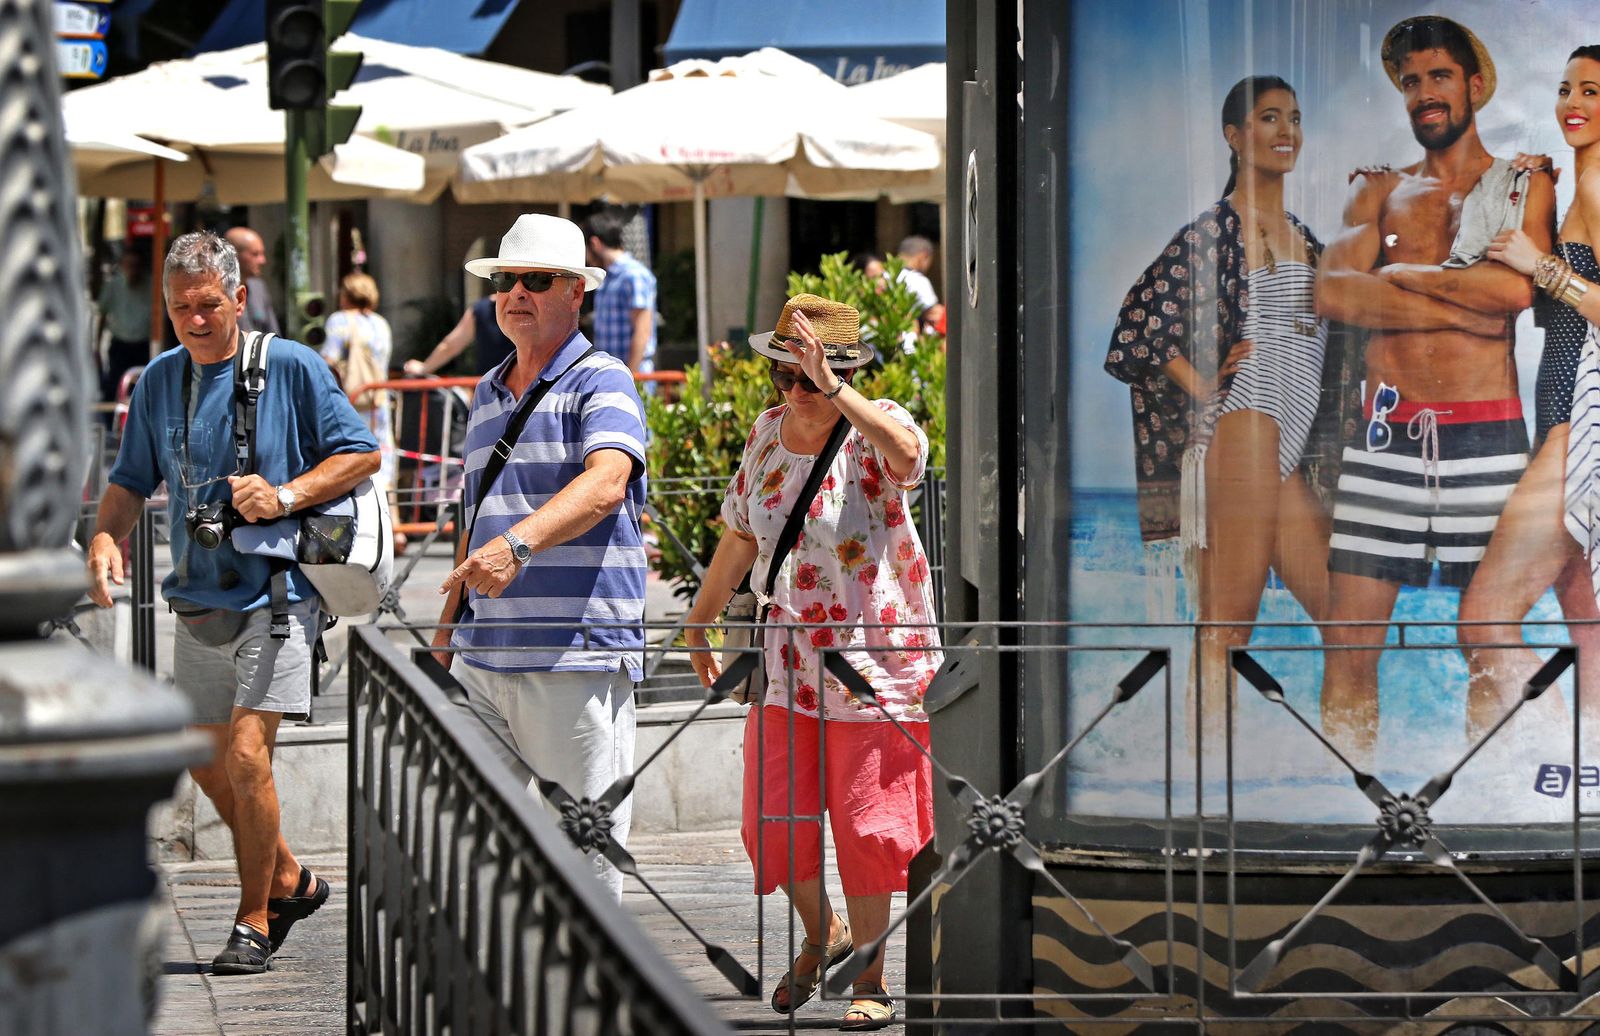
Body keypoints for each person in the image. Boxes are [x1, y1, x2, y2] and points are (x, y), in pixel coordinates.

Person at [85, 231, 380, 973]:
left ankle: (254, 918)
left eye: (209, 304)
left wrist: (283, 495)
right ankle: (290, 876)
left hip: (277, 593)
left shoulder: (291, 366)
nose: (195, 319)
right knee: (208, 760)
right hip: (197, 600)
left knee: (248, 755)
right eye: (180, 307)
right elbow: (128, 480)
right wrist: (103, 537)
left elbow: (362, 453)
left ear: (239, 299)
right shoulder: (157, 381)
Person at [683, 293, 941, 1030]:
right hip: (786, 661)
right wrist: (699, 624)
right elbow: (740, 535)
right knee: (773, 817)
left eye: (809, 375)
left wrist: (837, 391)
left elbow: (910, 457)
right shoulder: (767, 432)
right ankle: (821, 931)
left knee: (867, 826)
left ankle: (871, 976)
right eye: (785, 375)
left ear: (842, 368)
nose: (795, 390)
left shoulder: (872, 425)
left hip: (872, 664)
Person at [1315, 15, 1555, 763]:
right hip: (1385, 437)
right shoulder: (1385, 194)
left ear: (1474, 84)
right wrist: (1464, 294)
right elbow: (1332, 295)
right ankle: (1350, 811)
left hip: (1485, 437)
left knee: (1486, 642)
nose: (1424, 94)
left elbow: (1516, 297)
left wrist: (1402, 279)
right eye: (1411, 81)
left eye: (1438, 77)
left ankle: (1484, 806)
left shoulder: (1523, 180)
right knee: (1349, 647)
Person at [1104, 76, 1331, 751]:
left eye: (1294, 117)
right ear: (1234, 136)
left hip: (1290, 441)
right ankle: (1210, 780)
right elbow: (1135, 329)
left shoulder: (1307, 237)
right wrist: (1203, 387)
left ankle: (1333, 776)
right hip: (1245, 423)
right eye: (1268, 117)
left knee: (1344, 617)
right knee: (1227, 626)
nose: (1285, 129)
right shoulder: (1214, 232)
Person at [430, 214, 647, 902]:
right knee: (458, 832)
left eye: (537, 280)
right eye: (505, 280)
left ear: (575, 293)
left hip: (572, 656)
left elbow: (607, 482)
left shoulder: (603, 378)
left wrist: (518, 544)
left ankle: (590, 998)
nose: (516, 293)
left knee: (582, 846)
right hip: (484, 654)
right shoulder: (486, 389)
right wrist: (445, 631)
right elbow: (476, 510)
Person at [1463, 45, 1600, 740]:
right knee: (1591, 632)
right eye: (1566, 87)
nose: (1573, 102)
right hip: (1566, 420)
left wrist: (1539, 265)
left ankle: (1525, 772)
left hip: (1583, 424)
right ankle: (1577, 785)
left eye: (1594, 91)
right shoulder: (1580, 181)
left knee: (1483, 619)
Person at [322, 272, 406, 553]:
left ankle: (361, 528)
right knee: (384, 463)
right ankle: (395, 527)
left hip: (351, 403)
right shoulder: (380, 324)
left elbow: (328, 359)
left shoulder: (340, 321)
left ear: (346, 295)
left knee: (351, 462)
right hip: (378, 404)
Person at [584, 207, 658, 376]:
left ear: (595, 244)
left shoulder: (633, 275)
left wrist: (630, 377)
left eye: (586, 250)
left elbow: (642, 331)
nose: (587, 259)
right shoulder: (607, 277)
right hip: (609, 373)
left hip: (630, 376)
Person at [402, 295, 516, 379]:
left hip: (514, 391)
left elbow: (451, 345)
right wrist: (424, 368)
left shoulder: (481, 309)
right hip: (494, 391)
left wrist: (424, 368)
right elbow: (451, 345)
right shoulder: (481, 309)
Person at [95, 245, 152, 405]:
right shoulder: (113, 285)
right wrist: (96, 347)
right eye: (128, 266)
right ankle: (110, 423)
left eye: (136, 266)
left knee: (141, 386)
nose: (132, 270)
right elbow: (102, 314)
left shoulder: (151, 285)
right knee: (114, 385)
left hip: (143, 344)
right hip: (120, 344)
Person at [225, 227, 281, 336]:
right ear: (234, 255)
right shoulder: (219, 291)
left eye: (262, 253)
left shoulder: (258, 288)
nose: (262, 260)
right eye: (255, 254)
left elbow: (274, 333)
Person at [894, 235, 945, 333]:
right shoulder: (917, 280)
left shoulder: (884, 275)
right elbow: (934, 314)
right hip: (908, 341)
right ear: (923, 256)